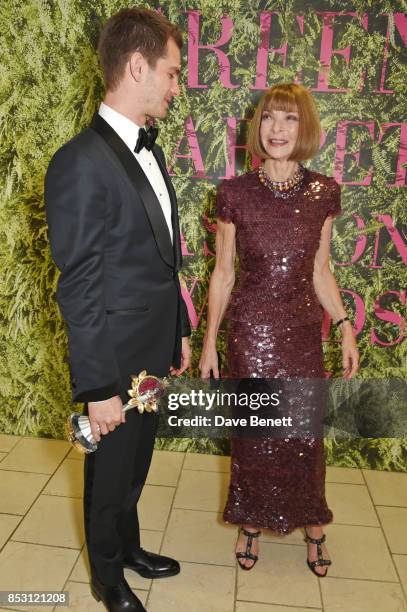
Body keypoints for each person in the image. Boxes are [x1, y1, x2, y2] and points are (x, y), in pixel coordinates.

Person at [45, 8, 191, 611]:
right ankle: (107, 578)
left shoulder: (148, 151)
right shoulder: (80, 162)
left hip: (152, 353)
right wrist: (100, 387)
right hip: (114, 364)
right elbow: (78, 285)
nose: (178, 86)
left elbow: (162, 261)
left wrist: (178, 332)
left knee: (135, 465)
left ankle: (127, 547)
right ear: (137, 66)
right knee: (109, 478)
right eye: (173, 72)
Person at [199, 83, 359, 578]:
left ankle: (313, 523)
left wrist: (347, 325)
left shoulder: (324, 193)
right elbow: (223, 273)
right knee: (254, 436)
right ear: (258, 126)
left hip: (302, 334)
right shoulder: (234, 194)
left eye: (289, 119)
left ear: (304, 128)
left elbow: (320, 271)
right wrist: (209, 343)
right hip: (250, 334)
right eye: (270, 118)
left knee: (303, 436)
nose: (277, 129)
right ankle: (250, 522)